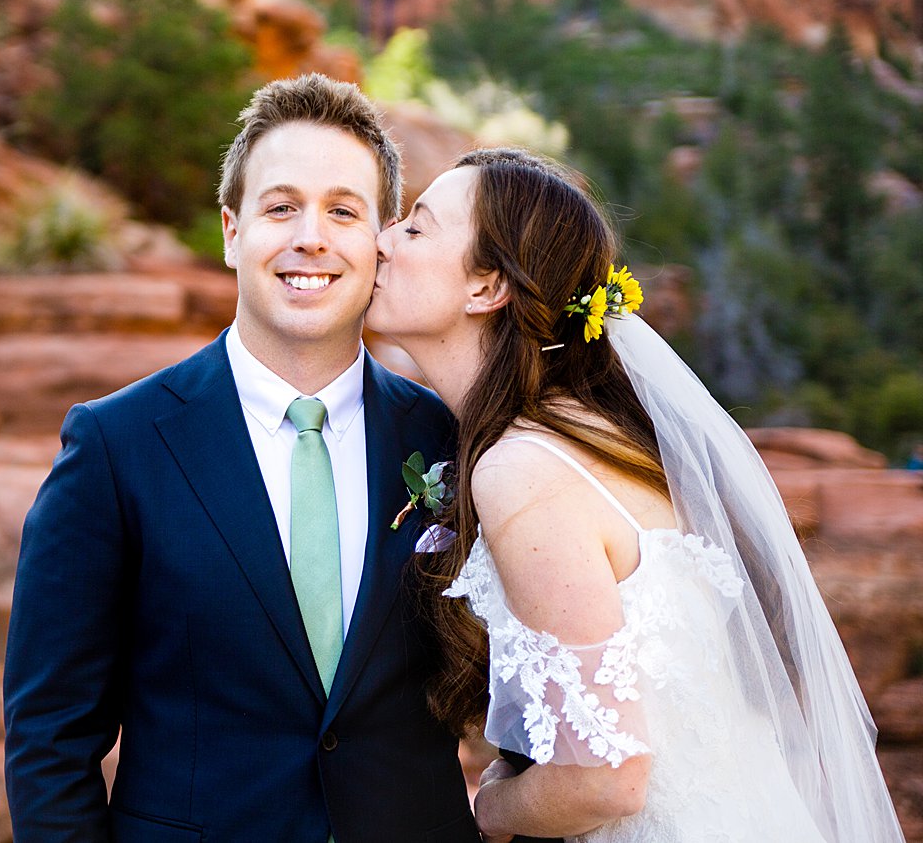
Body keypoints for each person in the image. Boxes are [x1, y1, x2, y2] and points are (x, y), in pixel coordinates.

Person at [366, 147, 903, 842]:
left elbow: (607, 776)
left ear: (486, 286)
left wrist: (489, 811)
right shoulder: (595, 434)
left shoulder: (522, 470)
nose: (382, 238)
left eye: (415, 227)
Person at [3, 74, 479, 842]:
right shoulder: (114, 445)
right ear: (231, 230)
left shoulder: (453, 439)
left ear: (381, 243)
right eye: (281, 206)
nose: (311, 237)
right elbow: (49, 737)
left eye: (343, 211)